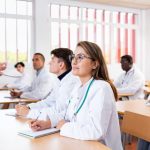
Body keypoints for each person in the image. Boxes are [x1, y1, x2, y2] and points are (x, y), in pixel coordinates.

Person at [28, 41, 122, 150]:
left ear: (94, 64)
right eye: (73, 57)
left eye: (80, 57)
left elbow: (96, 131)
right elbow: (68, 115)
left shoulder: (101, 88)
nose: (74, 61)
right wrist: (48, 123)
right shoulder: (78, 86)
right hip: (79, 143)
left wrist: (64, 127)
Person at [15, 48, 78, 117]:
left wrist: (29, 113)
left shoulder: (70, 83)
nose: (49, 62)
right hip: (51, 116)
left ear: (61, 65)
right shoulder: (59, 80)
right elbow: (49, 101)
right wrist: (28, 107)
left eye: (52, 60)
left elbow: (58, 110)